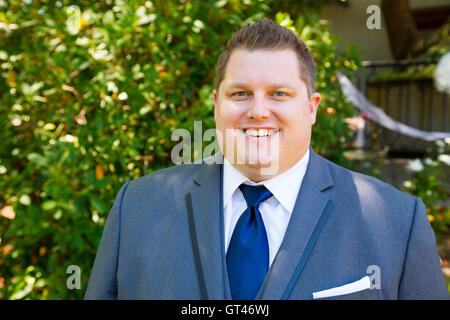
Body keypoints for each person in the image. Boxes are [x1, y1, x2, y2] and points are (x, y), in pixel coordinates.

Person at [85, 18, 448, 300]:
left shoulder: (400, 223)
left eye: (279, 93)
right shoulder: (137, 207)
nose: (259, 112)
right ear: (216, 105)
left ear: (311, 108)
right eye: (240, 93)